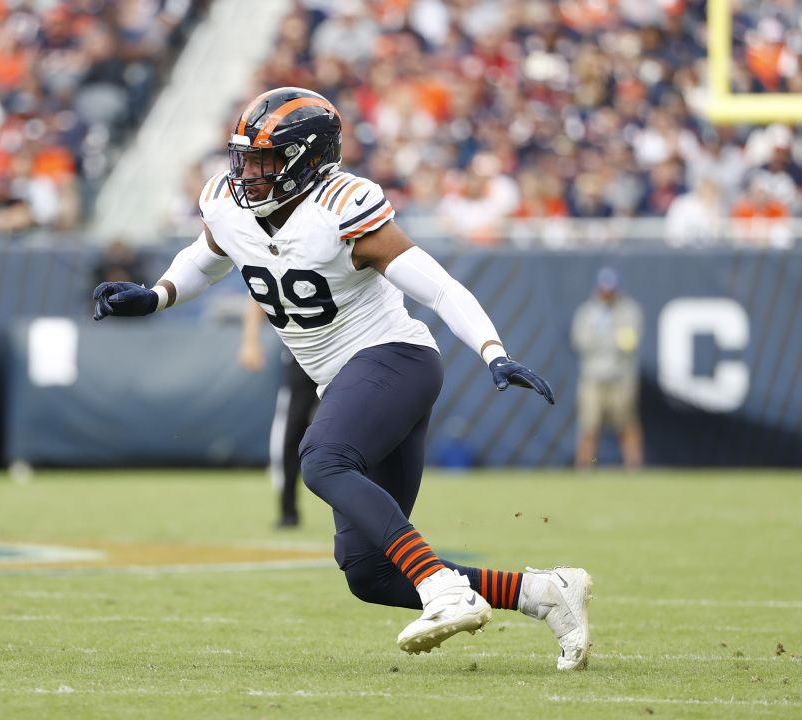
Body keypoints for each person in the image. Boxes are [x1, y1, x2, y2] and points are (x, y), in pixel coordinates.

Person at [92, 87, 592, 670]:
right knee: (370, 573)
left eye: (264, 160)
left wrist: (492, 350)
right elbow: (206, 256)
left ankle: (442, 587)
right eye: (245, 158)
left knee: (322, 459)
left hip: (394, 359)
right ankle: (546, 593)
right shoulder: (227, 206)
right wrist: (155, 296)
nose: (247, 173)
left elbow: (437, 286)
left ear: (306, 160)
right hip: (346, 380)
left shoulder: (341, 207)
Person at [238, 301, 318, 528]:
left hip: (345, 352)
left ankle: (360, 509)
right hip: (302, 353)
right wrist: (250, 340)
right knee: (292, 429)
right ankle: (288, 510)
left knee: (350, 430)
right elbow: (256, 294)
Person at [571, 267, 644, 471]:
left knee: (627, 425)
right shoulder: (587, 312)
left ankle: (634, 469)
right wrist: (605, 332)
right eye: (604, 290)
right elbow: (580, 342)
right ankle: (584, 469)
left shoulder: (629, 310)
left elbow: (629, 342)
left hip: (621, 378)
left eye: (611, 290)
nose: (607, 295)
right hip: (593, 378)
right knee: (588, 426)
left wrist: (606, 334)